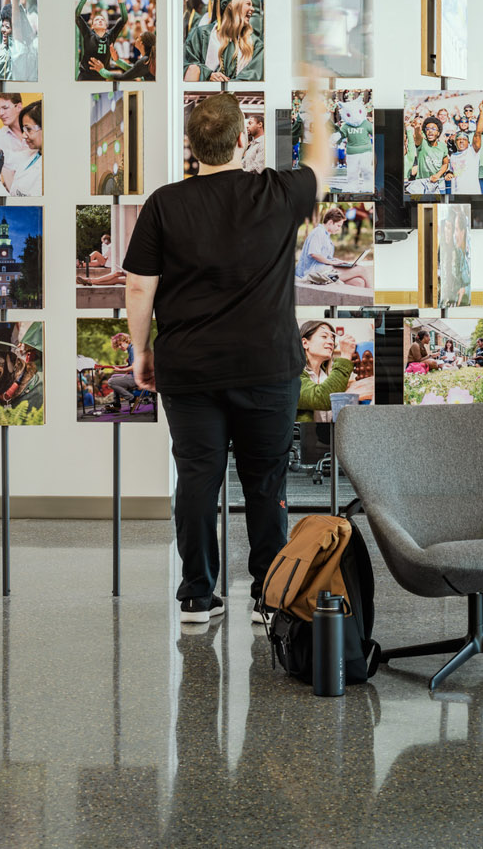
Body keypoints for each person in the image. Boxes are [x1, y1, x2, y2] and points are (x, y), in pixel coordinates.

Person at [122, 90, 335, 624]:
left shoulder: (164, 204)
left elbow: (138, 291)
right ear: (245, 139)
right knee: (265, 480)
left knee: (197, 477)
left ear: (192, 147)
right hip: (267, 367)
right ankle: (271, 592)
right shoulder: (279, 192)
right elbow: (322, 163)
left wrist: (141, 351)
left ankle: (196, 594)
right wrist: (315, 95)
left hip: (189, 368)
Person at [297, 319, 357, 422]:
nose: (331, 342)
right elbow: (323, 398)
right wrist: (346, 356)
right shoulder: (293, 376)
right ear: (305, 343)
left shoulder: (327, 377)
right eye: (324, 336)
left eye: (332, 338)